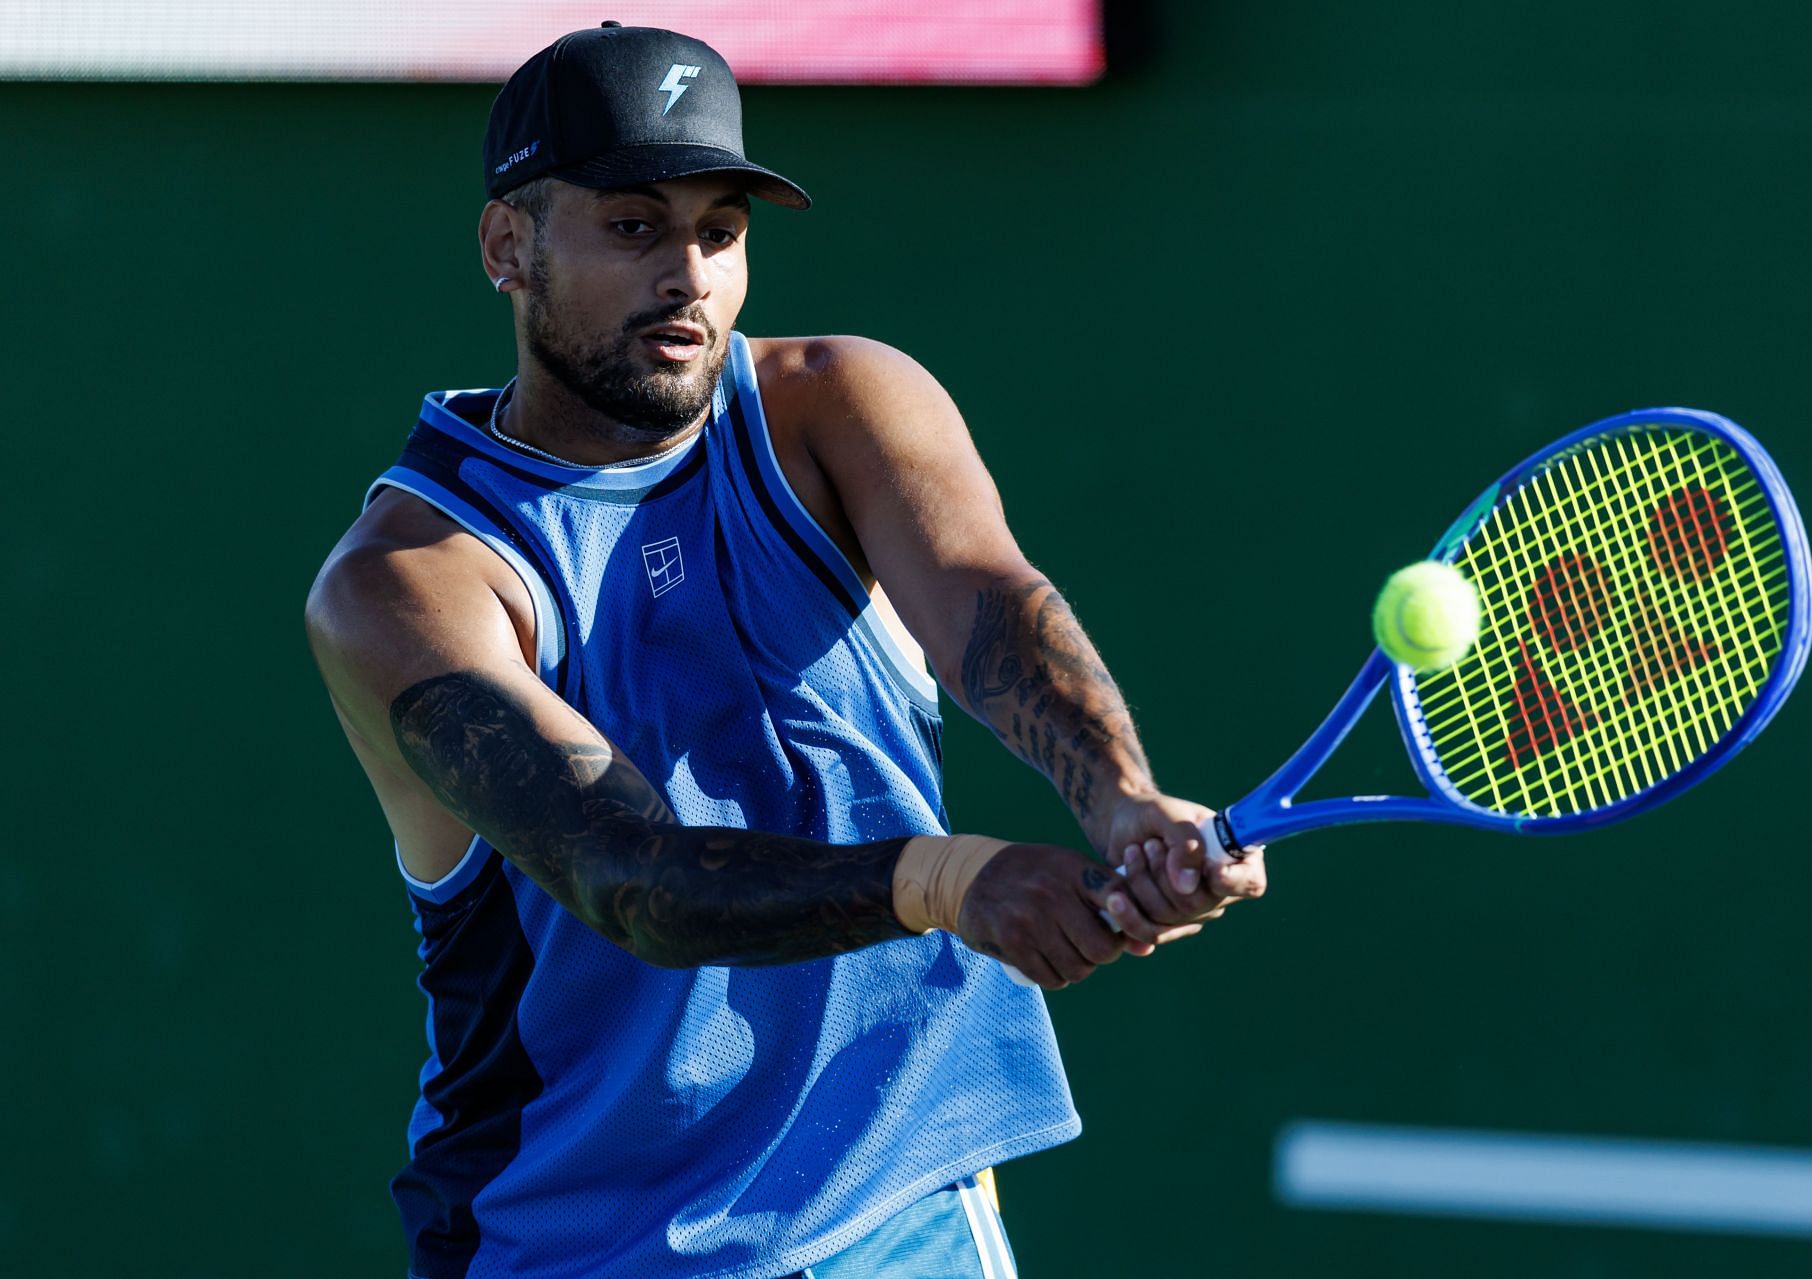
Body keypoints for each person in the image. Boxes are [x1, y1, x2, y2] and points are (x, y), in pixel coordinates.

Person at [304, 22, 1266, 1279]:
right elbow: (632, 875)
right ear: (509, 249)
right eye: (634, 227)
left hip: (898, 1206)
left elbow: (985, 602)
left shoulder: (840, 407)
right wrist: (948, 878)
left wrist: (1121, 797)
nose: (689, 277)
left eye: (720, 230)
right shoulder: (405, 584)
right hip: (580, 1242)